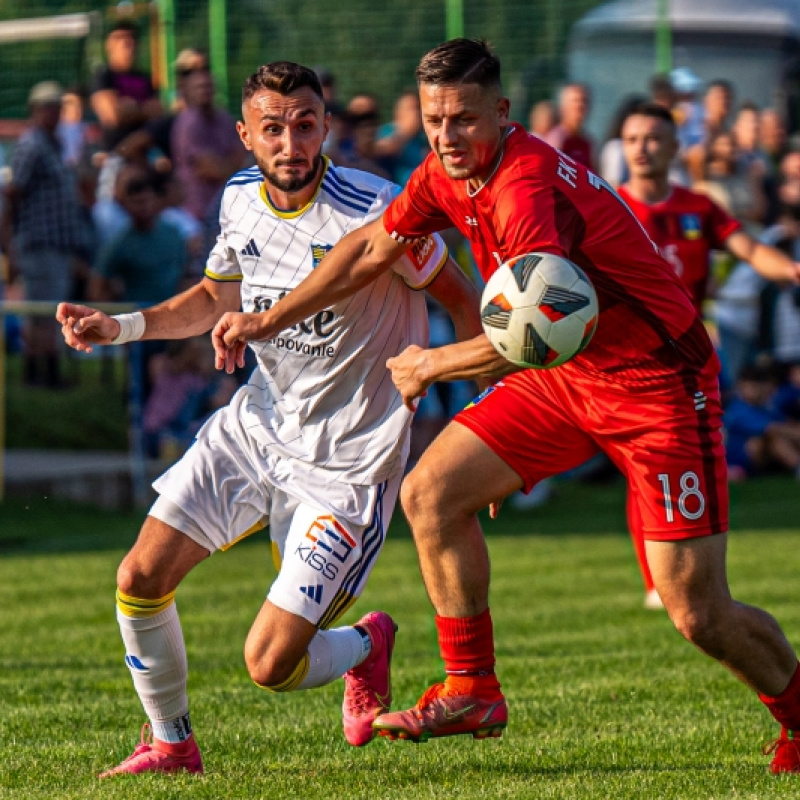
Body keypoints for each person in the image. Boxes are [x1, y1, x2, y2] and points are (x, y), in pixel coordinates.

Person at [210, 39, 800, 772]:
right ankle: (472, 690)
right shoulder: (444, 171)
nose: (447, 137)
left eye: (463, 119)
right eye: (434, 119)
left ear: (501, 112)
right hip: (566, 376)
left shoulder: (525, 191)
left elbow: (540, 335)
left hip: (656, 389)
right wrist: (268, 319)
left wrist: (434, 364)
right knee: (432, 494)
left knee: (697, 611)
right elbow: (370, 250)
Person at [57, 60, 480, 777]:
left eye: (306, 125)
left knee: (271, 664)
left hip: (347, 466)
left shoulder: (381, 210)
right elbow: (214, 299)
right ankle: (170, 743)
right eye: (274, 128)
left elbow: (466, 304)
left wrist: (479, 420)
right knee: (139, 576)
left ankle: (368, 644)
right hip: (255, 430)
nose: (292, 143)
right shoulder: (239, 199)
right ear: (246, 135)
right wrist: (121, 327)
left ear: (326, 128)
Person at [617, 102, 800, 606]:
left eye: (654, 138)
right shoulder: (607, 207)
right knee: (644, 468)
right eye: (633, 138)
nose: (643, 148)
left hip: (690, 364)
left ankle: (693, 578)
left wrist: (791, 270)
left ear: (676, 148)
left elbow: (746, 247)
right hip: (626, 365)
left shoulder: (698, 209)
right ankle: (658, 581)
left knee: (699, 469)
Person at [0, 81, 91, 388]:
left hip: (56, 244)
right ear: (36, 110)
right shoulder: (32, 144)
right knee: (43, 311)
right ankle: (40, 374)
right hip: (38, 243)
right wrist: (9, 243)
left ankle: (42, 372)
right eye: (48, 106)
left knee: (50, 308)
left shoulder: (53, 144)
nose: (53, 112)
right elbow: (14, 192)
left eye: (57, 106)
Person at [170, 68, 248, 222]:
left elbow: (242, 158)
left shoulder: (224, 119)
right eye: (198, 87)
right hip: (195, 213)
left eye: (207, 86)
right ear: (187, 92)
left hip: (226, 207)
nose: (204, 91)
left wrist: (230, 166)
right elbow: (210, 168)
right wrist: (232, 166)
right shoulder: (188, 123)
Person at [90, 20, 162, 156]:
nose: (126, 43)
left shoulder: (145, 78)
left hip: (147, 150)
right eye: (119, 38)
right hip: (117, 150)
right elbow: (112, 116)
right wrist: (143, 109)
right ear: (109, 44)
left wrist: (129, 107)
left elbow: (158, 112)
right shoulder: (104, 76)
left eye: (131, 38)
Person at [543, 82, 595, 169]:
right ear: (563, 107)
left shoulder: (588, 142)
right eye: (576, 100)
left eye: (584, 100)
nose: (580, 105)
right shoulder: (557, 139)